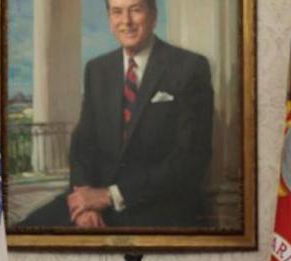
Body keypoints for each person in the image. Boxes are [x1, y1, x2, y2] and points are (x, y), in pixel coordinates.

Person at [20, 0, 213, 228]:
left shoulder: (190, 67)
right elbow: (83, 145)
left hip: (158, 205)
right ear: (109, 18)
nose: (126, 21)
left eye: (135, 10)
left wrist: (111, 196)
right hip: (95, 201)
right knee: (25, 229)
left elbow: (191, 158)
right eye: (117, 12)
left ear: (153, 15)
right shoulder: (97, 69)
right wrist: (85, 202)